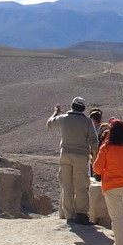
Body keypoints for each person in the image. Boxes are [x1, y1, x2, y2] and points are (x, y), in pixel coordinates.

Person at [46, 96, 99, 226]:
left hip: (65, 155)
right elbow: (93, 141)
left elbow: (49, 124)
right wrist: (95, 158)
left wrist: (56, 112)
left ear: (72, 106)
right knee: (81, 186)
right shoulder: (87, 121)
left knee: (67, 185)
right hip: (80, 157)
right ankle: (81, 214)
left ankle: (69, 215)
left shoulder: (63, 118)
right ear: (83, 108)